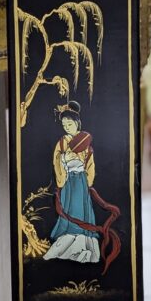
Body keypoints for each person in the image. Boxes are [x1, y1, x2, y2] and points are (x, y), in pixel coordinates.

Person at [43, 101, 100, 264]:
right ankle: (68, 242)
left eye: (69, 123)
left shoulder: (85, 141)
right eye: (64, 124)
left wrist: (88, 181)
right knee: (69, 207)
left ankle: (84, 243)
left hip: (81, 181)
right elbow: (56, 160)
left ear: (77, 123)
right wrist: (62, 171)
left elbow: (90, 163)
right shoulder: (62, 142)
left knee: (82, 208)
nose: (67, 127)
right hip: (69, 181)